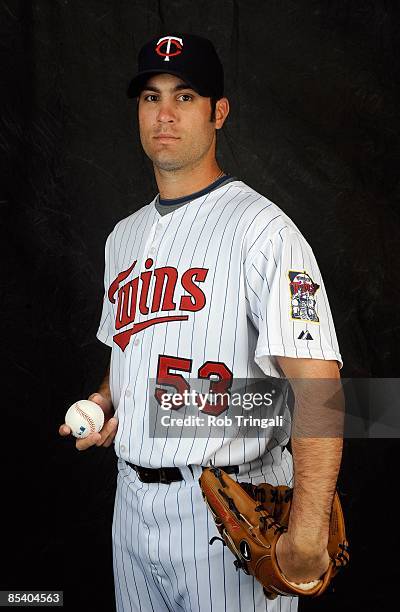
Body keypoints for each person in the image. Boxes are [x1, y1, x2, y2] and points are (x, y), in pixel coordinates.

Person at [59, 33, 344, 612]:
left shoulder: (263, 230)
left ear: (219, 113)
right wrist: (107, 402)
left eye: (185, 96)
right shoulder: (123, 238)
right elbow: (130, 354)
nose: (164, 114)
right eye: (150, 97)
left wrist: (310, 534)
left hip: (231, 508)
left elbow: (320, 387)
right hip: (129, 508)